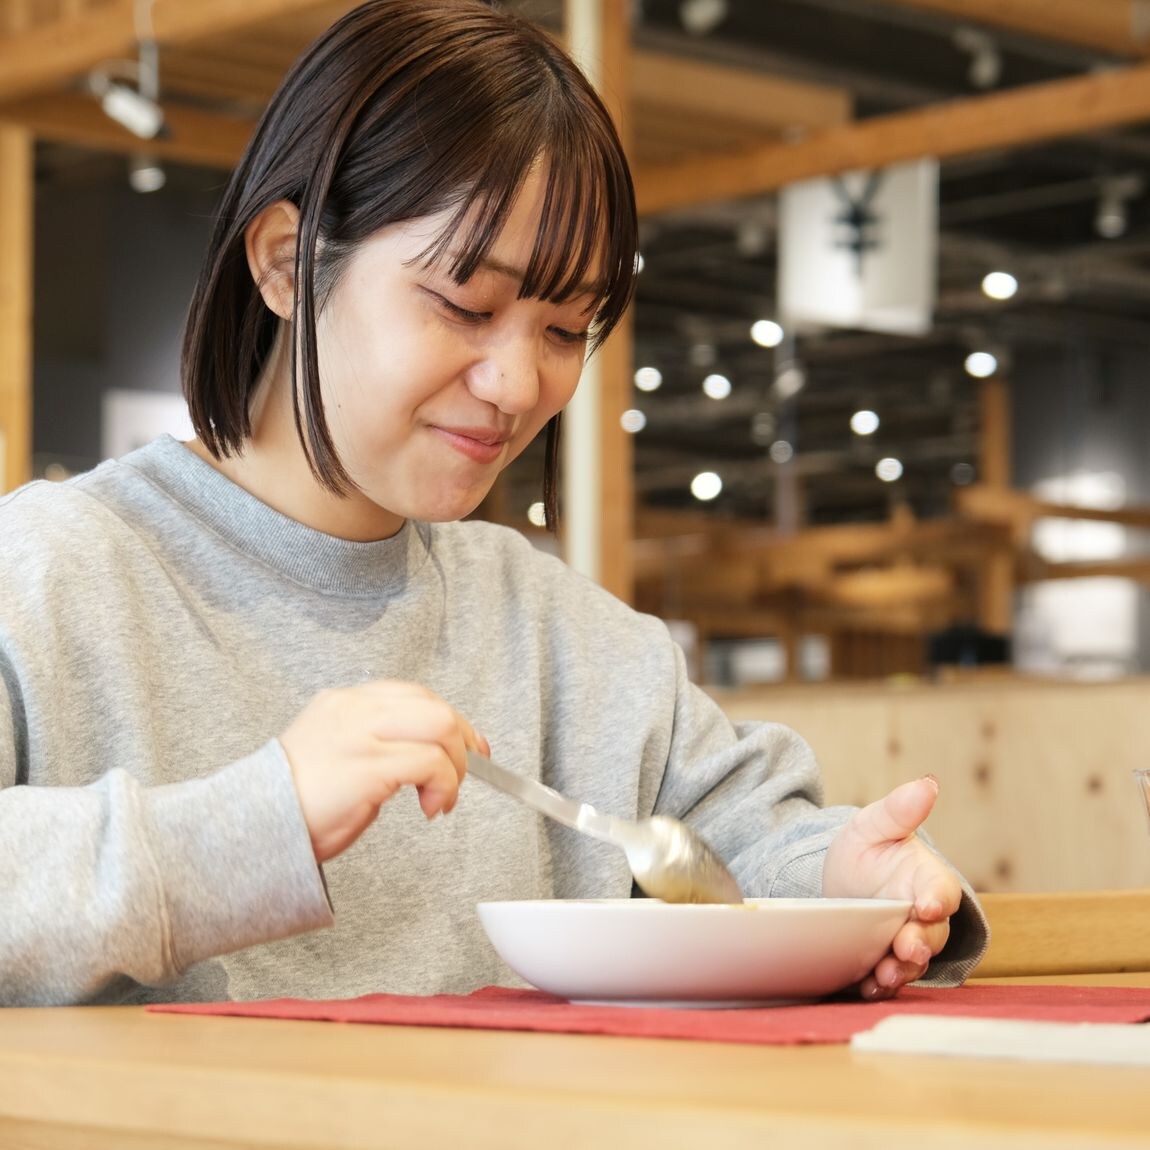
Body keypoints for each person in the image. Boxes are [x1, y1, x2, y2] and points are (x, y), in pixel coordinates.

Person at [0, 0, 987, 1008]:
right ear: (286, 264)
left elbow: (741, 838)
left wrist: (848, 882)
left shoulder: (561, 637)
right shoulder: (47, 576)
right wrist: (254, 824)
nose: (518, 385)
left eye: (565, 329)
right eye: (465, 306)